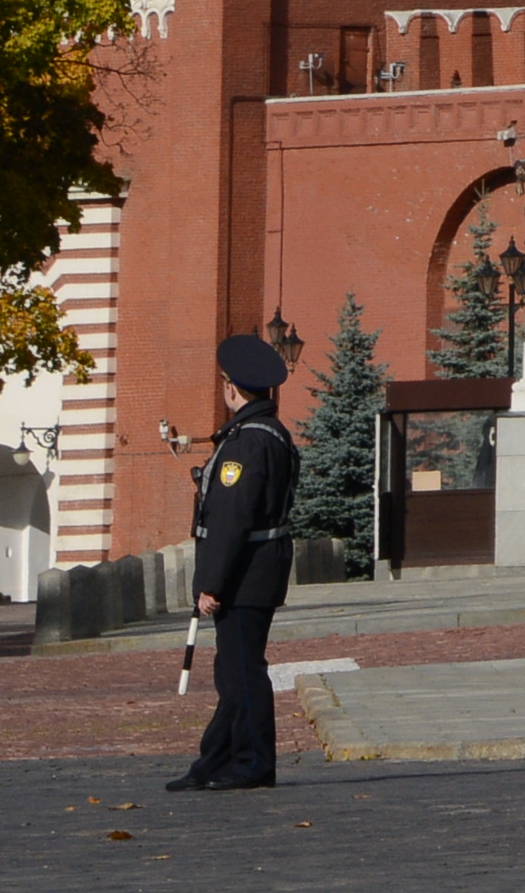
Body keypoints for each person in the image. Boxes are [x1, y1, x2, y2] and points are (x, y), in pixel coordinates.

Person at [166, 335, 300, 793]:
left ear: (231, 388)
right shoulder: (265, 434)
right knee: (234, 670)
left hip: (246, 572)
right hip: (257, 568)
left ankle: (253, 762)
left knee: (242, 671)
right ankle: (217, 758)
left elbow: (231, 518)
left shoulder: (247, 443)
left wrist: (211, 583)